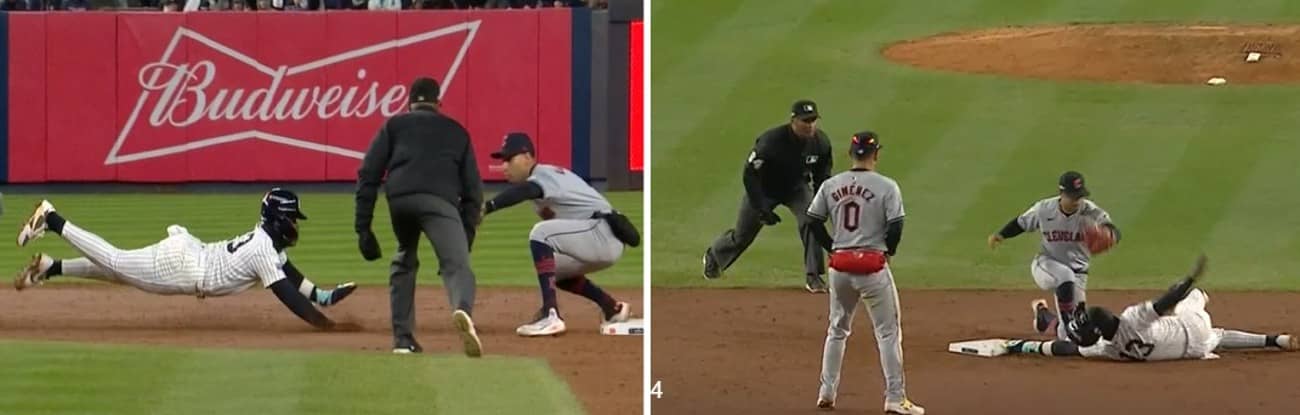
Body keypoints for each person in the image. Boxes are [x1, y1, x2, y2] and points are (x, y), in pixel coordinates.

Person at [14, 189, 358, 331]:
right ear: (280, 219)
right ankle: (52, 218)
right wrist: (325, 324)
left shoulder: (265, 242)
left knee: (119, 272)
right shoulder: (262, 249)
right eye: (293, 217)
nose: (296, 224)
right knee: (116, 262)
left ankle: (51, 267)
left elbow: (291, 275)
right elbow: (290, 298)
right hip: (183, 268)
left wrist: (324, 297)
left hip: (188, 255)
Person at [354, 76, 484, 356]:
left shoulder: (394, 125)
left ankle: (403, 339)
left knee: (405, 256)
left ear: (409, 103)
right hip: (439, 201)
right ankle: (462, 310)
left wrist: (363, 228)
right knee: (456, 264)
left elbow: (368, 174)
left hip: (399, 199)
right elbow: (474, 192)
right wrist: (465, 239)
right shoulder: (457, 132)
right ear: (439, 103)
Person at [806, 131, 923, 414]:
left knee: (837, 330)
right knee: (887, 333)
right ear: (876, 154)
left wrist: (832, 248)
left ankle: (827, 392)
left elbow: (812, 220)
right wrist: (888, 252)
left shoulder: (832, 184)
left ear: (851, 153)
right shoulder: (887, 186)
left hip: (840, 268)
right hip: (872, 267)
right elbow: (895, 226)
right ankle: (895, 398)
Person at [481, 132, 638, 336]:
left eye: (509, 159)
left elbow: (526, 191)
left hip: (602, 231)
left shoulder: (543, 174)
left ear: (528, 157)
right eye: (502, 160)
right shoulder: (541, 182)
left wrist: (488, 207)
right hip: (600, 237)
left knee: (541, 233)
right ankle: (612, 308)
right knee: (553, 269)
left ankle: (551, 315)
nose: (504, 166)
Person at [1005, 254, 1299, 361]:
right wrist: (1188, 281)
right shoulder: (1131, 318)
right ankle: (1274, 340)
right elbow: (1165, 302)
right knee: (1196, 298)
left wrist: (1022, 347)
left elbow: (1066, 349)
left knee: (1217, 337)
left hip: (1193, 351)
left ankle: (1275, 340)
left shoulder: (1103, 350)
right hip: (1191, 326)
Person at [703, 99, 833, 293]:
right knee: (742, 236)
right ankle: (714, 256)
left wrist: (820, 204)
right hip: (764, 188)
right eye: (806, 121)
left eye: (813, 120)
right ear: (793, 121)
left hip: (796, 188)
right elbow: (750, 173)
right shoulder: (771, 141)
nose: (810, 125)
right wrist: (760, 206)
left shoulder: (820, 143)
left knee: (811, 220)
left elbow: (822, 176)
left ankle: (814, 277)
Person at [987, 171, 1121, 340]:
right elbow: (1020, 223)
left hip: (1079, 274)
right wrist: (1001, 235)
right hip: (1046, 265)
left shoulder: (1091, 213)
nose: (1076, 201)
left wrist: (1110, 235)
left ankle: (1045, 318)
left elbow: (1112, 229)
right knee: (1065, 277)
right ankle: (1067, 326)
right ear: (1061, 194)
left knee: (1069, 334)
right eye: (1072, 197)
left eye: (1079, 197)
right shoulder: (1044, 209)